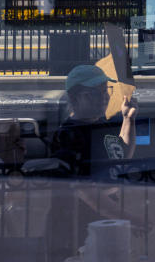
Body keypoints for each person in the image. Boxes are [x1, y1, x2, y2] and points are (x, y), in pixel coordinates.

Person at [47, 64, 139, 261]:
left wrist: (128, 120)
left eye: (106, 90)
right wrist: (127, 218)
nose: (105, 96)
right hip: (76, 230)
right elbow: (86, 192)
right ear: (76, 97)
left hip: (103, 225)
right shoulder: (69, 135)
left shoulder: (100, 125)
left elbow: (120, 155)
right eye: (95, 93)